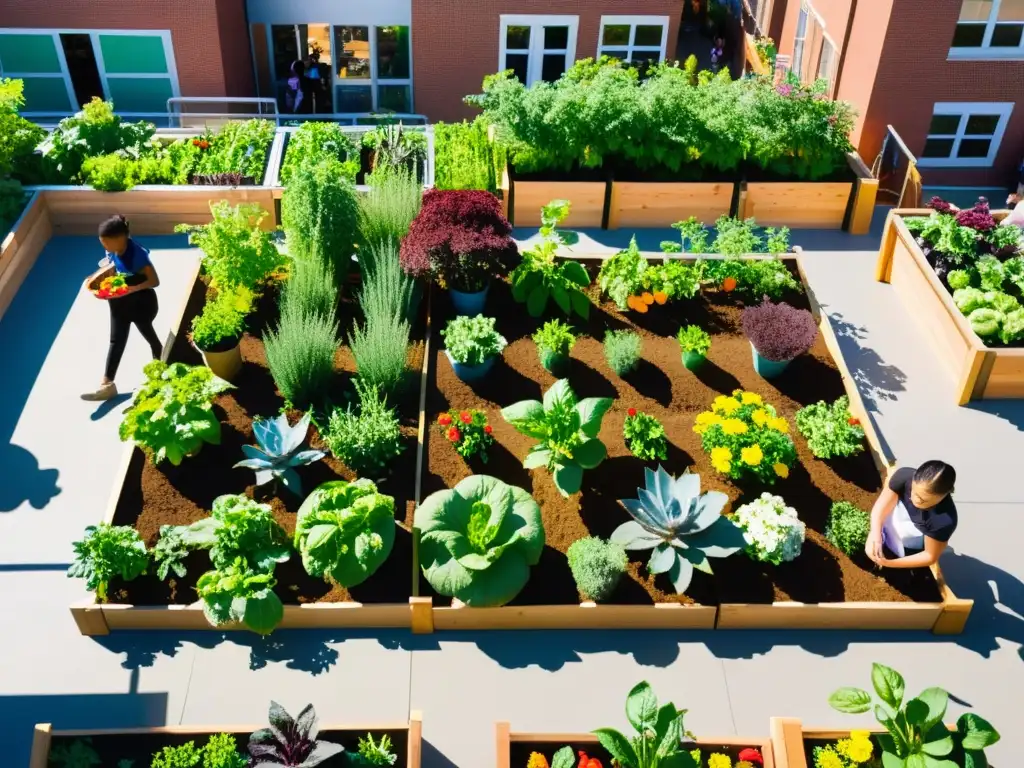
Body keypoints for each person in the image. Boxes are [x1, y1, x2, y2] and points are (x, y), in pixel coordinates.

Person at [80, 215, 162, 402]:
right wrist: (95, 279)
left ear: (120, 239)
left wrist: (131, 289)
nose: (104, 248)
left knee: (149, 336)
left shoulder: (137, 254)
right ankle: (107, 385)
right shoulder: (112, 251)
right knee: (116, 341)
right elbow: (111, 267)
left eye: (106, 243)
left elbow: (154, 281)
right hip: (118, 303)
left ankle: (160, 368)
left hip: (141, 303)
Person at [865, 461, 957, 569]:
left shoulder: (943, 520)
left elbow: (929, 556)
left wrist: (889, 563)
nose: (915, 500)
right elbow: (881, 507)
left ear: (943, 496)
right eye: (913, 492)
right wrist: (875, 535)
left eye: (923, 500)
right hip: (894, 520)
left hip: (914, 541)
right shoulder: (904, 476)